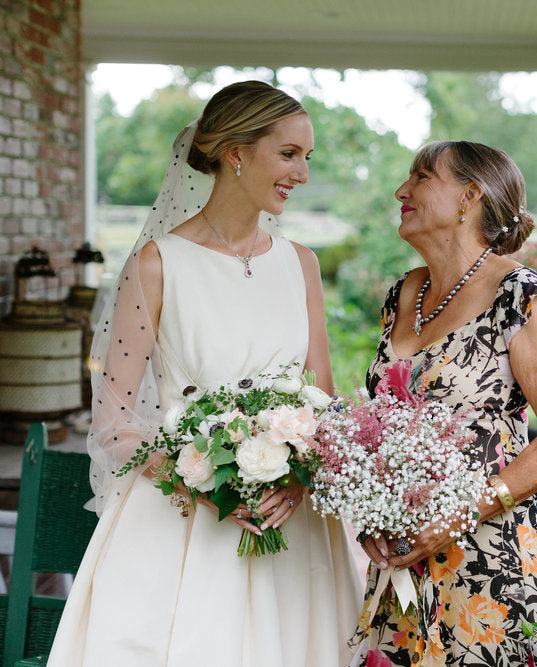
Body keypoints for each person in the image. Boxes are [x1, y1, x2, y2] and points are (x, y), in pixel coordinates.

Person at [48, 81, 360, 666]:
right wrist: (211, 484)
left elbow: (325, 402)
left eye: (307, 157)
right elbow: (114, 420)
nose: (303, 174)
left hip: (292, 527)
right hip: (183, 524)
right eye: (289, 154)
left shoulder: (301, 265)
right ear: (236, 152)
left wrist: (300, 473)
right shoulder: (159, 263)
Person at [353, 140, 537, 665]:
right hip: (405, 561)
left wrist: (457, 515)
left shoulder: (517, 294)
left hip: (490, 559)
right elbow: (388, 422)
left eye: (420, 177)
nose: (401, 190)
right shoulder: (404, 294)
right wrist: (375, 510)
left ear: (469, 196)